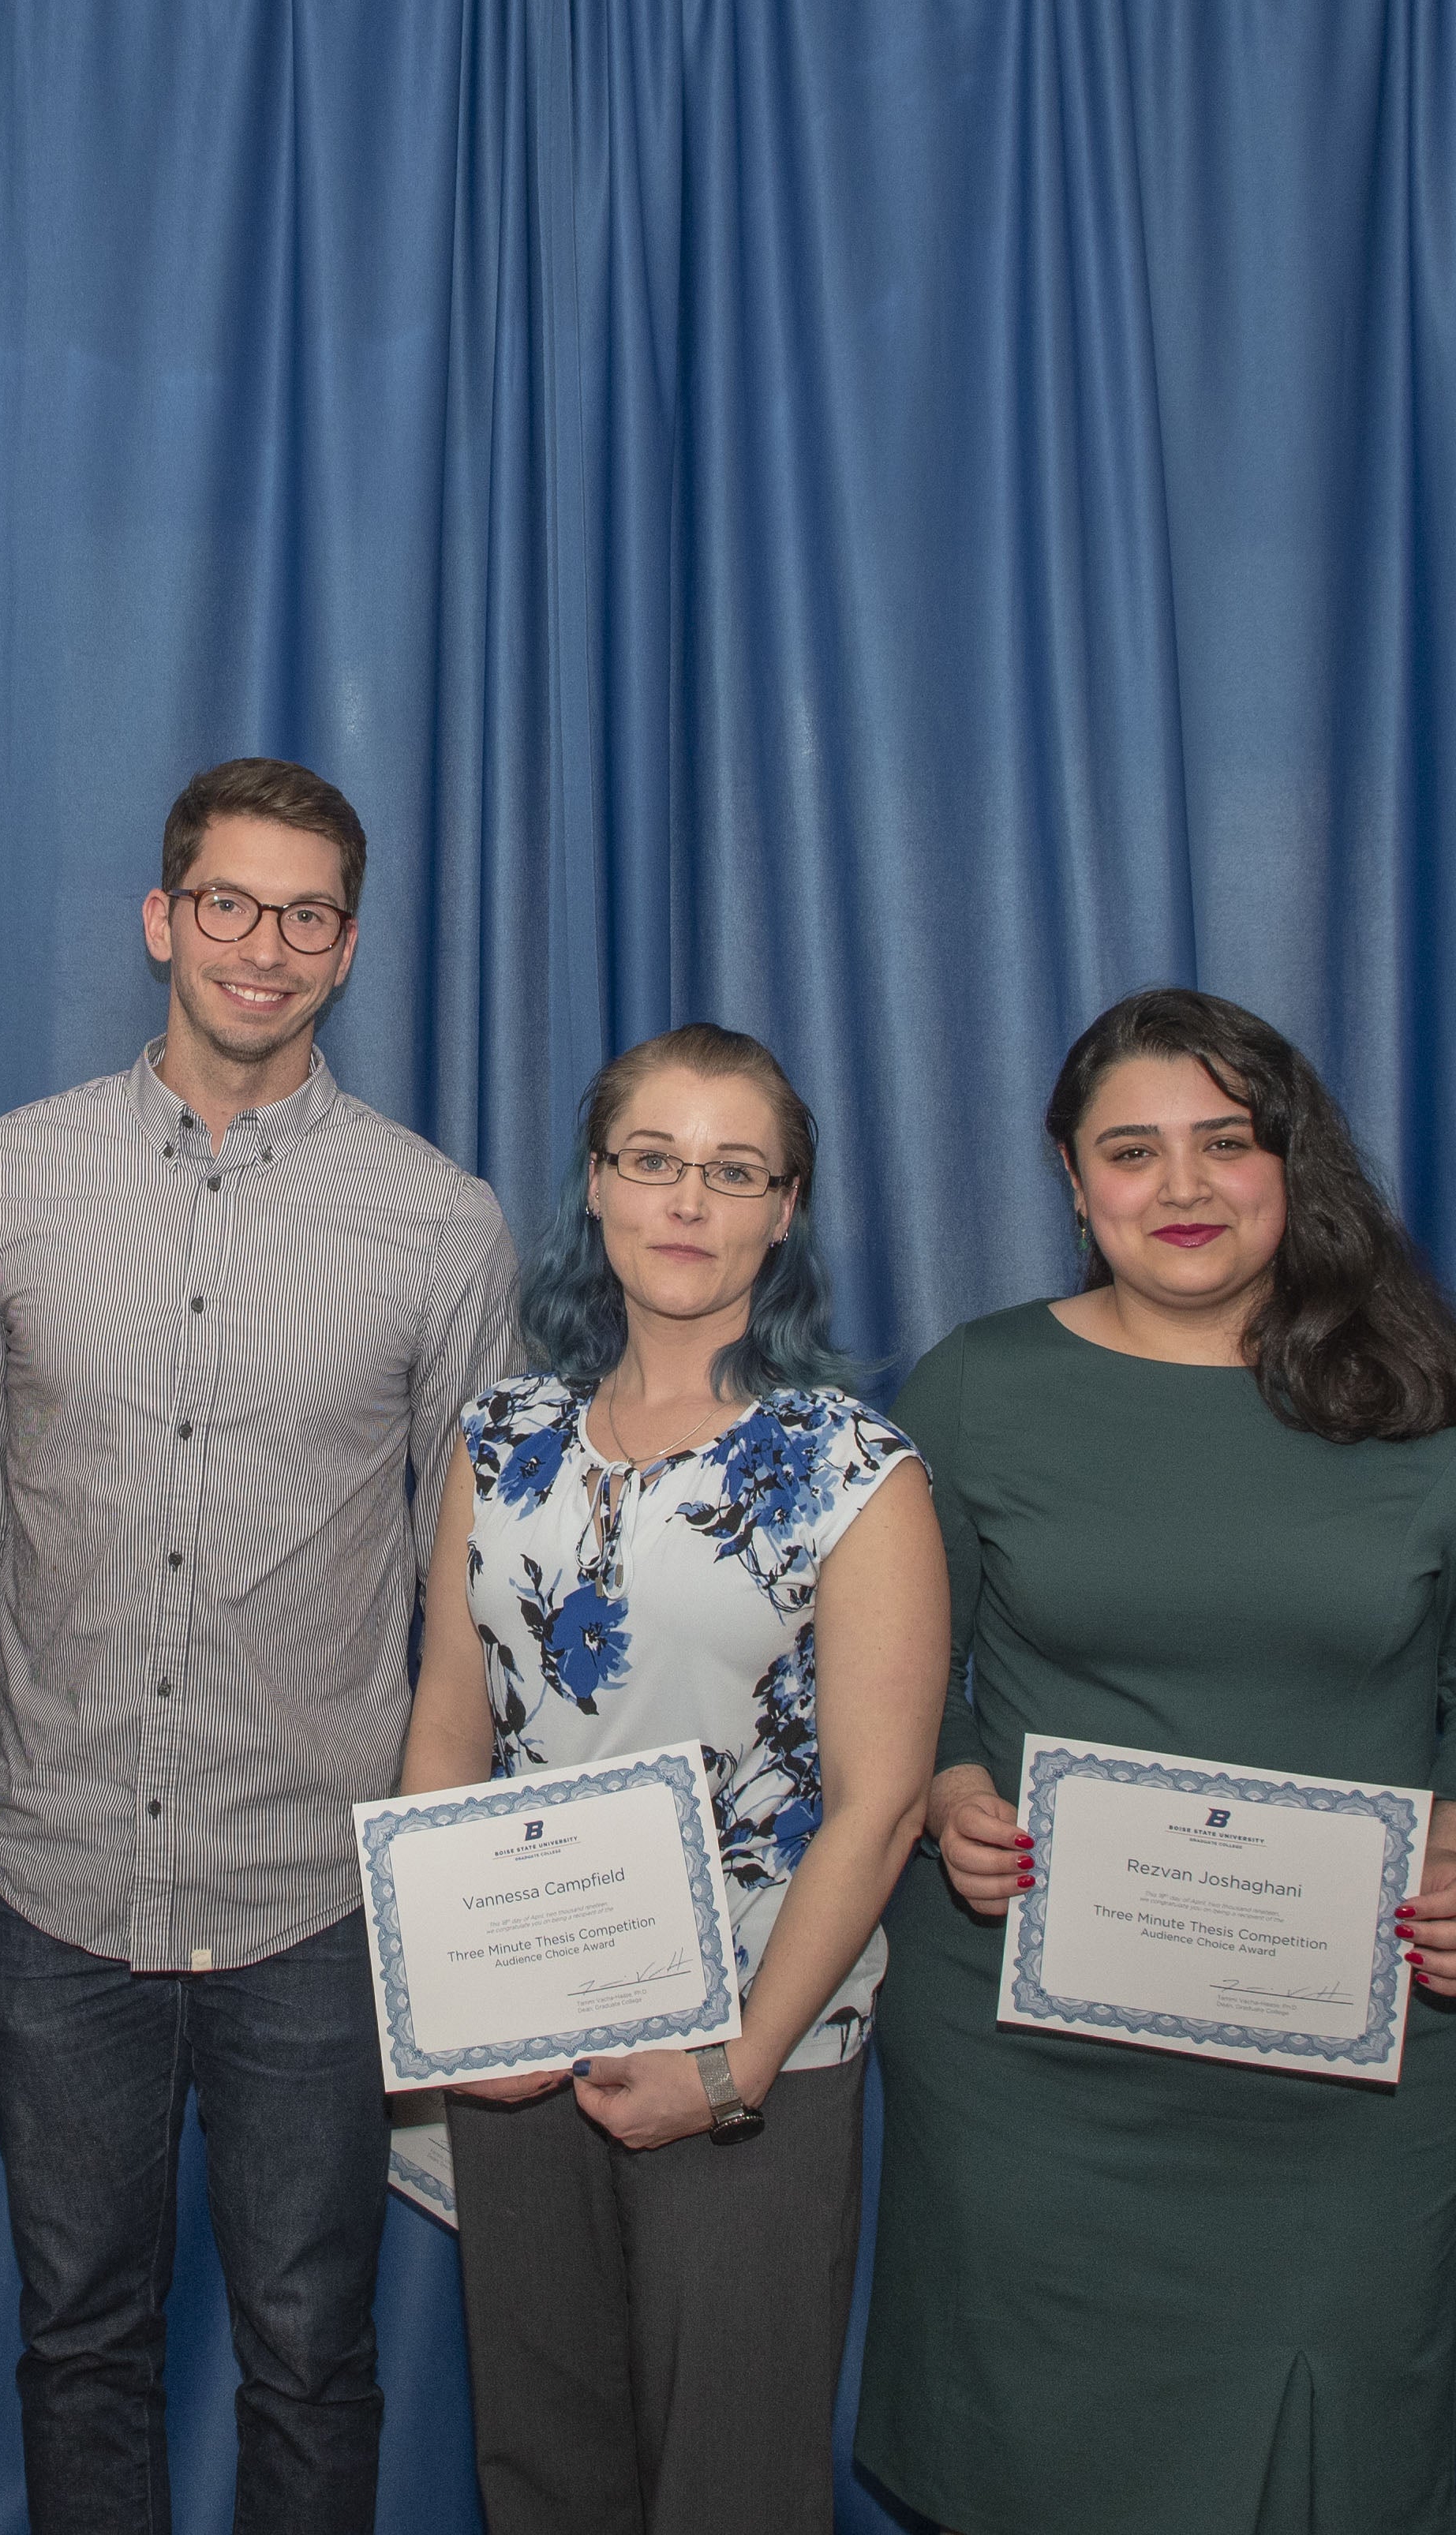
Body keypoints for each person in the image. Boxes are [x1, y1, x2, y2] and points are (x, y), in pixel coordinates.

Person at [0, 756, 522, 2535]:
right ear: (163, 920)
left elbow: (468, 1572)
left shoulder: (440, 1219)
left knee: (312, 2347)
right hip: (55, 1867)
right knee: (78, 2339)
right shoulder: (3, 1180)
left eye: (306, 915)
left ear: (349, 946)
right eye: (228, 904)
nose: (264, 946)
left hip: (317, 1887)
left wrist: (436, 1865)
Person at [854, 987, 1456, 2534]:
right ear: (1072, 1179)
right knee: (1045, 2465)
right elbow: (886, 1686)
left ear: (1289, 1161)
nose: (1180, 1188)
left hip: (1354, 2068)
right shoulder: (974, 1388)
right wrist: (949, 1781)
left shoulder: (1423, 1402)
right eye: (1133, 1151)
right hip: (1036, 2071)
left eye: (1224, 1144)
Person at [396, 1021, 946, 2534]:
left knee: (732, 2488)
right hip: (526, 2045)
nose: (687, 1202)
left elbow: (882, 1804)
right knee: (542, 2468)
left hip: (757, 2052)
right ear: (597, 1186)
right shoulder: (497, 1437)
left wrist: (737, 2067)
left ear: (785, 1209)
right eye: (653, 1162)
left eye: (732, 1172)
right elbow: (449, 1721)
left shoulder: (852, 1467)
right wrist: (457, 2016)